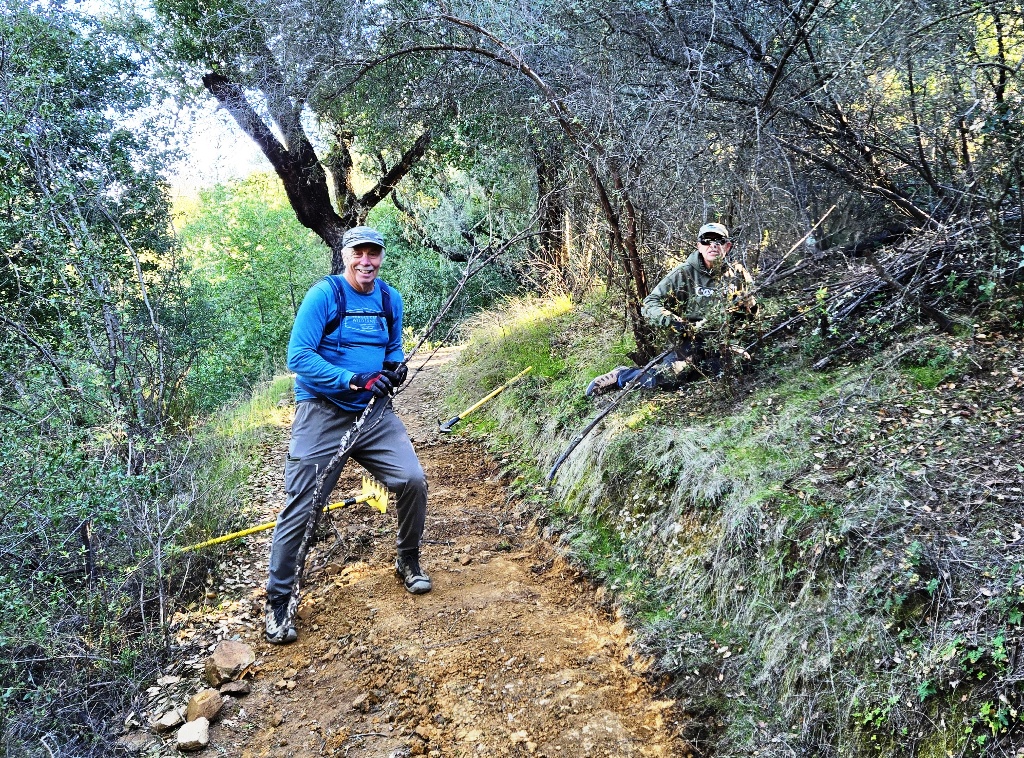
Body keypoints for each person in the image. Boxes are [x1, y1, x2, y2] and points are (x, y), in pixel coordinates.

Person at [264, 226, 430, 645]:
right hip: (321, 411)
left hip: (374, 414)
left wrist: (394, 370)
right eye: (359, 253)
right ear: (344, 255)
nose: (366, 262)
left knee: (412, 481)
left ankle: (407, 560)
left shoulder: (390, 299)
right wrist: (351, 379)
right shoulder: (325, 295)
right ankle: (279, 601)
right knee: (303, 505)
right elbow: (298, 357)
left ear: (381, 257)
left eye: (374, 253)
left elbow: (393, 348)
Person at [586, 222, 757, 397]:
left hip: (720, 341)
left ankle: (697, 369)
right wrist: (675, 322)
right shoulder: (684, 273)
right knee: (667, 378)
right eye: (706, 241)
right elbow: (650, 303)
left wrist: (746, 307)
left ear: (727, 246)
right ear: (699, 245)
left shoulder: (737, 274)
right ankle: (622, 376)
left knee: (741, 363)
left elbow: (752, 314)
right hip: (689, 341)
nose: (712, 245)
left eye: (719, 241)